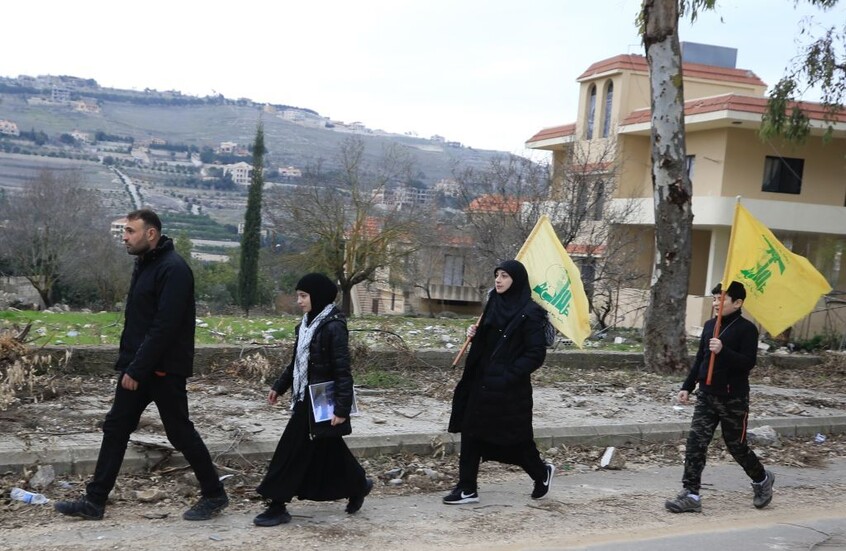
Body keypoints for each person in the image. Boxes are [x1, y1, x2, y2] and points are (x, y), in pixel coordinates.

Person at [55, 209, 228, 521]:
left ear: (151, 234)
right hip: (140, 365)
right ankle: (94, 502)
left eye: (130, 231)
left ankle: (214, 494)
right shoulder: (145, 265)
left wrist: (138, 369)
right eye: (124, 231)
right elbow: (139, 322)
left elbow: (165, 327)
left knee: (179, 432)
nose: (124, 237)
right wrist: (131, 365)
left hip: (161, 369)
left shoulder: (173, 269)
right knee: (116, 426)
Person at [253, 273, 372, 527]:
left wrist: (341, 408)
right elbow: (297, 362)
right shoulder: (306, 324)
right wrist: (280, 386)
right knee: (329, 448)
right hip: (302, 396)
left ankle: (277, 504)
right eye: (298, 295)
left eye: (303, 296)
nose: (299, 301)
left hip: (317, 402)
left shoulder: (333, 327)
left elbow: (343, 370)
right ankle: (359, 484)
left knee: (289, 450)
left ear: (317, 296)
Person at [444, 259, 554, 504]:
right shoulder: (494, 302)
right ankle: (467, 488)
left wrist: (508, 375)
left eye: (504, 276)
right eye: (497, 275)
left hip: (508, 390)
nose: (498, 280)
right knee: (471, 431)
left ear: (516, 280)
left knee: (513, 441)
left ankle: (541, 472)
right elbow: (490, 341)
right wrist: (474, 335)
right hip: (480, 382)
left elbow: (536, 354)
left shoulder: (530, 312)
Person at [665, 281, 774, 513]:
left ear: (738, 303)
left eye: (721, 299)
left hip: (733, 398)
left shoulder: (747, 329)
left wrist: (723, 350)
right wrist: (687, 386)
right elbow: (700, 360)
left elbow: (748, 363)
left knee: (736, 446)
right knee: (696, 444)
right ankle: (691, 494)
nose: (716, 303)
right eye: (714, 299)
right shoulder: (710, 326)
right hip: (706, 395)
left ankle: (762, 479)